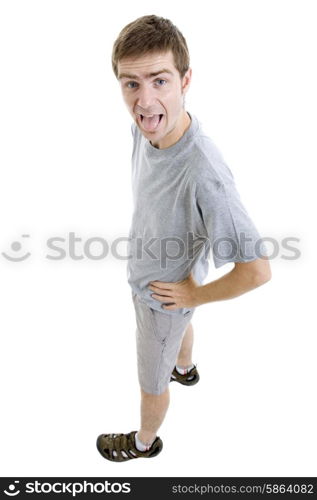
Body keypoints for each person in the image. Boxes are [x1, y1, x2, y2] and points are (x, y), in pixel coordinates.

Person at [96, 14, 271, 462]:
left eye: (159, 80)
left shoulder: (205, 173)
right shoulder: (145, 128)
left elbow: (256, 271)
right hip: (170, 287)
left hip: (161, 297)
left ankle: (144, 442)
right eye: (131, 84)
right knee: (183, 323)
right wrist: (188, 292)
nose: (145, 101)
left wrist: (193, 290)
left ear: (186, 79)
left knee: (150, 384)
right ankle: (186, 368)